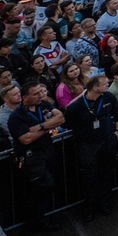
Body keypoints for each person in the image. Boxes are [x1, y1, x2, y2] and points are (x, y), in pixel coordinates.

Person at [8, 81, 67, 231]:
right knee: (41, 188)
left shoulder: (43, 105)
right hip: (31, 158)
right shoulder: (16, 117)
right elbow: (25, 139)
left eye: (41, 92)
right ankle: (36, 222)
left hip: (47, 152)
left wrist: (40, 127)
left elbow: (60, 118)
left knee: (48, 186)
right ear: (24, 97)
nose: (41, 95)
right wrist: (48, 127)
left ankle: (43, 217)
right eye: (36, 94)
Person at [64, 73, 118, 221]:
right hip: (87, 146)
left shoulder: (108, 97)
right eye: (104, 84)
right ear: (95, 87)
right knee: (89, 178)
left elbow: (117, 114)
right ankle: (88, 208)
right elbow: (69, 123)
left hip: (107, 142)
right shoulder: (76, 106)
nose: (108, 86)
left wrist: (117, 131)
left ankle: (104, 203)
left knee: (107, 173)